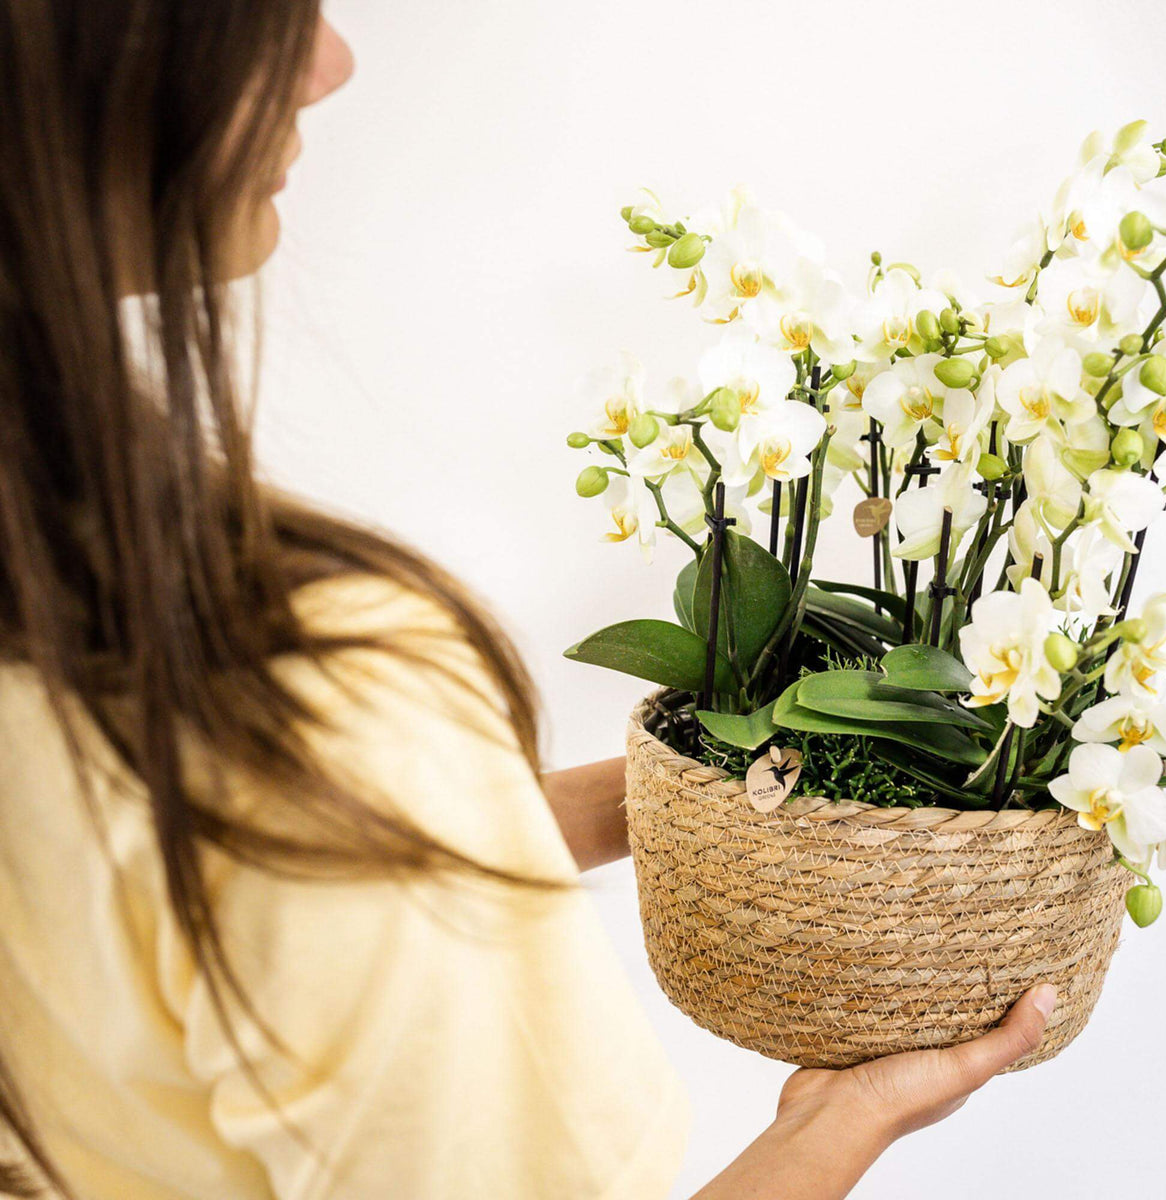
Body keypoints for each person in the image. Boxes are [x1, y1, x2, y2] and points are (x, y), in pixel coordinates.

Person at [0, 5, 1057, 1198]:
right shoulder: (317, 696)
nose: (331, 64)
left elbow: (249, 897)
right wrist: (840, 1124)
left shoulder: (67, 605)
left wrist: (675, 804)